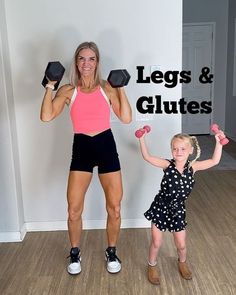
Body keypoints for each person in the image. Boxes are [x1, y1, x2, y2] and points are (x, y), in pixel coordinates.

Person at [40, 41, 132, 275]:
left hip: (106, 146)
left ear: (97, 62)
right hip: (81, 148)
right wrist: (50, 87)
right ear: (76, 62)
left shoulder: (107, 88)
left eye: (91, 59)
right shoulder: (68, 90)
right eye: (82, 58)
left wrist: (120, 88)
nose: (86, 63)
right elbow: (46, 116)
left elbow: (126, 118)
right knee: (73, 209)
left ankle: (111, 251)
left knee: (115, 208)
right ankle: (74, 252)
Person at [137, 129, 225, 285]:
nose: (178, 152)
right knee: (156, 242)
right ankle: (151, 265)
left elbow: (214, 161)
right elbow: (147, 157)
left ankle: (182, 262)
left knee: (181, 244)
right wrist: (142, 138)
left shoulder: (193, 167)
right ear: (171, 150)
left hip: (178, 210)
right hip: (161, 207)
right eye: (175, 148)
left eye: (183, 149)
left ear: (190, 151)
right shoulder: (167, 165)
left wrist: (218, 143)